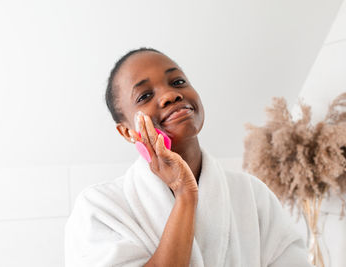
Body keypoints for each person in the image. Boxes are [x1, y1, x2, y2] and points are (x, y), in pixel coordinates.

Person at [64, 47, 312, 266]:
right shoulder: (100, 209)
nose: (170, 95)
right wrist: (185, 195)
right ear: (126, 131)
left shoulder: (252, 194)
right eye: (144, 96)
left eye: (178, 82)